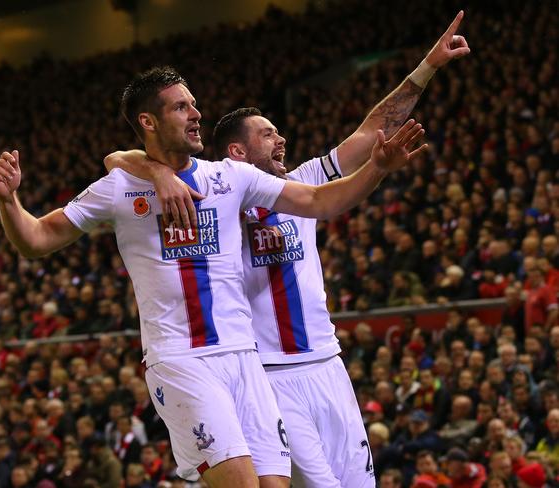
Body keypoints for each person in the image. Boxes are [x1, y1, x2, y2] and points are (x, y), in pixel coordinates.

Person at [0, 67, 425, 488]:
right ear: (149, 121)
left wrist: (376, 169)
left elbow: (317, 200)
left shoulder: (230, 177)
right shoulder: (118, 188)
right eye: (181, 107)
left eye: (194, 104)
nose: (197, 113)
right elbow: (38, 238)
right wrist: (9, 203)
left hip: (245, 358)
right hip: (181, 360)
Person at [104, 12, 469, 488]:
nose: (282, 139)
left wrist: (427, 67)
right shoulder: (218, 189)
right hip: (270, 372)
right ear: (237, 152)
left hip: (328, 362)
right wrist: (158, 172)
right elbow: (120, 158)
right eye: (269, 134)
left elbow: (372, 129)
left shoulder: (307, 180)